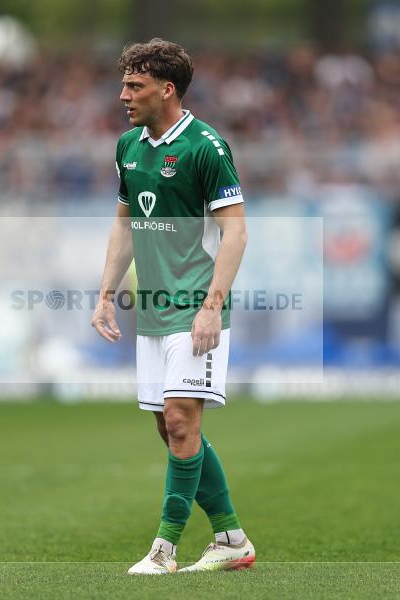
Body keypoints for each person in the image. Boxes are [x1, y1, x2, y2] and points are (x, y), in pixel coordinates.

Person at [91, 39, 253, 575]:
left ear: (167, 89)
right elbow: (125, 224)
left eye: (134, 86)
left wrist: (212, 307)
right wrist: (105, 295)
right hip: (155, 311)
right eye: (123, 85)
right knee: (170, 428)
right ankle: (231, 538)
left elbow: (235, 233)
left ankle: (164, 548)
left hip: (196, 309)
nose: (123, 95)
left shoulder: (207, 147)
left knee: (182, 421)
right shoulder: (128, 147)